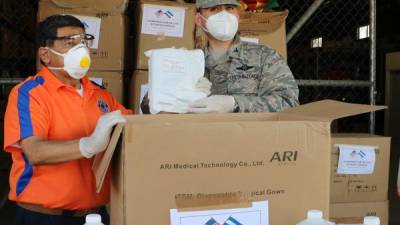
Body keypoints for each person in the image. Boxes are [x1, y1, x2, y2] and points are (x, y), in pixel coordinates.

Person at [3, 15, 131, 225]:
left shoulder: (101, 95)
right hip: (44, 217)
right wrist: (87, 145)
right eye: (69, 42)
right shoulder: (29, 93)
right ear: (45, 54)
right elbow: (35, 151)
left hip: (95, 215)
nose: (80, 49)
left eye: (83, 41)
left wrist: (169, 106)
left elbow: (134, 130)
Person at [187, 0, 299, 113]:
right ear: (199, 19)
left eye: (229, 8)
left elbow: (289, 102)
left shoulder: (264, 56)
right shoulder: (188, 63)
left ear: (238, 16)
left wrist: (235, 103)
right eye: (214, 9)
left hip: (251, 130)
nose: (224, 14)